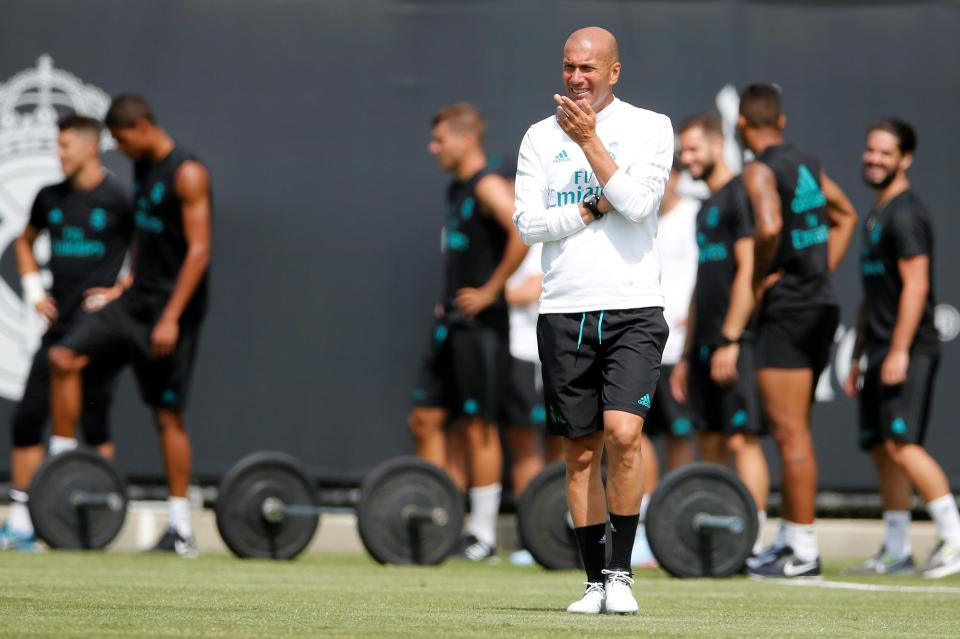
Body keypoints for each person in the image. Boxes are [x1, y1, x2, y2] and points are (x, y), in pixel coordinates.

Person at [514, 27, 673, 614]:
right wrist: (586, 208)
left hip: (633, 303)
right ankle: (593, 583)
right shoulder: (537, 136)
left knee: (624, 435)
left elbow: (637, 204)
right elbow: (528, 225)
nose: (577, 79)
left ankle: (622, 573)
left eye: (588, 68)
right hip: (564, 308)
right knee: (579, 452)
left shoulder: (651, 126)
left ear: (614, 72)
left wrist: (590, 144)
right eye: (568, 67)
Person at [48, 95, 212, 558]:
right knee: (64, 356)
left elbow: (199, 252)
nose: (118, 149)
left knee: (167, 417)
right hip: (134, 303)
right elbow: (142, 238)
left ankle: (180, 529)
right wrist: (125, 286)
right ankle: (61, 463)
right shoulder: (143, 168)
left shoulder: (188, 172)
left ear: (142, 127)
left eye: (120, 140)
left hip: (170, 313)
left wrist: (171, 317)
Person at [737, 84, 858, 578]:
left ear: (742, 125)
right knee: (796, 431)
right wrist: (816, 271)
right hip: (819, 305)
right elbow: (845, 214)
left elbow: (767, 227)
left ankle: (804, 551)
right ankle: (789, 537)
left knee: (789, 435)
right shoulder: (805, 162)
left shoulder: (758, 168)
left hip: (790, 311)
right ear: (781, 123)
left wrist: (762, 276)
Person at [0, 115, 131, 551]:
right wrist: (35, 289)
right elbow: (24, 241)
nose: (59, 154)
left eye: (66, 146)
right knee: (25, 421)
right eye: (57, 146)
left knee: (95, 424)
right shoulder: (49, 197)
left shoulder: (117, 197)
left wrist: (119, 289)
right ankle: (22, 524)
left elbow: (151, 254)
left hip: (99, 331)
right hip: (59, 328)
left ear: (91, 148)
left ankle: (95, 523)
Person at [407, 103, 527, 561]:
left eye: (440, 140)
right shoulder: (455, 188)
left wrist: (492, 290)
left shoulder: (488, 185)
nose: (433, 148)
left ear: (465, 139)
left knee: (479, 426)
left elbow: (523, 231)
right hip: (450, 325)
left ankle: (483, 535)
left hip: (482, 328)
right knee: (425, 419)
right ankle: (438, 517)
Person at [843, 119, 960, 578]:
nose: (874, 159)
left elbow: (916, 287)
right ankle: (896, 548)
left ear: (905, 159)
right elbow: (874, 294)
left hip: (909, 349)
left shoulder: (907, 213)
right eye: (870, 150)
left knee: (903, 444)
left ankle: (953, 536)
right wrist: (858, 354)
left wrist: (898, 350)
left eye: (885, 153)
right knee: (881, 448)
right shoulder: (877, 213)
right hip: (879, 349)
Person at [671, 112, 770, 556]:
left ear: (716, 145)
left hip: (736, 340)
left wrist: (731, 337)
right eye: (682, 151)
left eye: (693, 148)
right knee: (708, 439)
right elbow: (701, 282)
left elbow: (750, 269)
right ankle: (717, 539)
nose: (686, 158)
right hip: (704, 344)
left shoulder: (737, 196)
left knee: (739, 438)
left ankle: (754, 539)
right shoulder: (705, 207)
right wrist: (690, 352)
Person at [632, 158, 698, 567]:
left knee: (679, 438)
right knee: (633, 435)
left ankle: (669, 524)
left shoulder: (696, 215)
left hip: (680, 349)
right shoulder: (637, 215)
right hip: (640, 342)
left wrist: (694, 319)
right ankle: (643, 528)